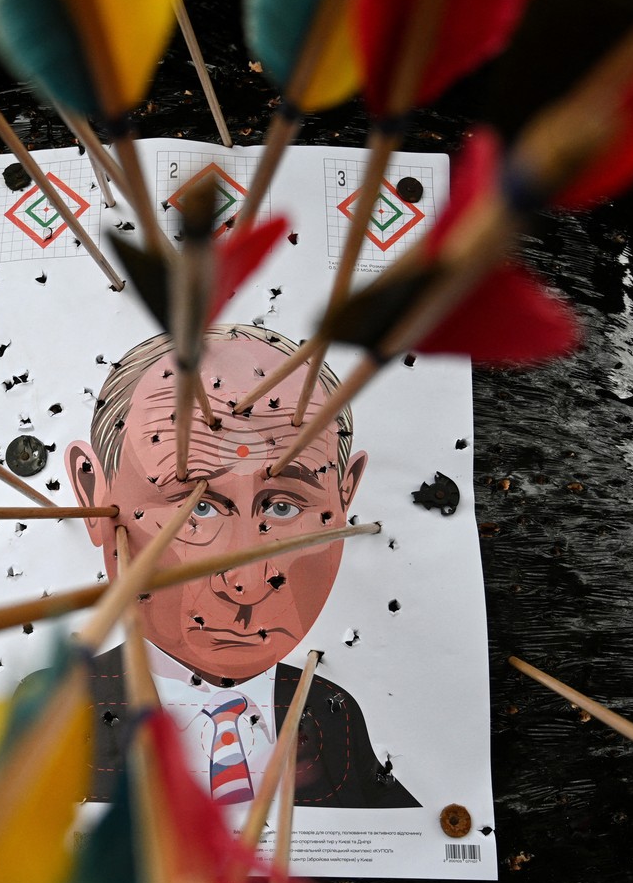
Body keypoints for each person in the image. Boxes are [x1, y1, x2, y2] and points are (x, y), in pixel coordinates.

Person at [59, 323, 420, 809]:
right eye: (196, 508)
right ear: (92, 493)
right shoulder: (53, 721)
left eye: (283, 507)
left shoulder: (335, 721)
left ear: (345, 496)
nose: (247, 584)